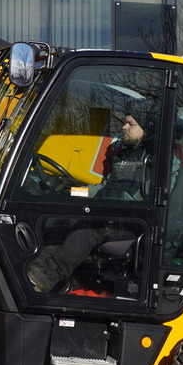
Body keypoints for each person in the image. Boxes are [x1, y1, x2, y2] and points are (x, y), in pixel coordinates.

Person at [25, 108, 155, 294]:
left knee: (89, 227)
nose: (124, 127)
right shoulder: (127, 155)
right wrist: (72, 192)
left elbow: (142, 200)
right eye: (126, 122)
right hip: (111, 213)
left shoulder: (153, 161)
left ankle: (49, 275)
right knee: (61, 216)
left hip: (132, 222)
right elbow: (103, 188)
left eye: (131, 124)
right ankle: (35, 268)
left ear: (146, 130)